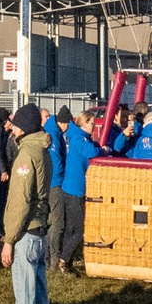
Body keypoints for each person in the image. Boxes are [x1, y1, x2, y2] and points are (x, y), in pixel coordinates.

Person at [0, 101, 52, 304]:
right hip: (40, 233)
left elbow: (20, 202)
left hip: (26, 235)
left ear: (25, 127)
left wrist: (9, 239)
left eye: (17, 124)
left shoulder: (25, 156)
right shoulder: (43, 151)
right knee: (40, 303)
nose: (13, 128)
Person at [47, 106, 96, 276]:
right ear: (83, 123)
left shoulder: (75, 136)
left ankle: (64, 261)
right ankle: (61, 260)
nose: (93, 126)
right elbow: (91, 152)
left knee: (70, 228)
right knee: (78, 229)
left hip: (68, 187)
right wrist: (103, 149)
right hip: (74, 189)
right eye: (91, 123)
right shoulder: (79, 140)